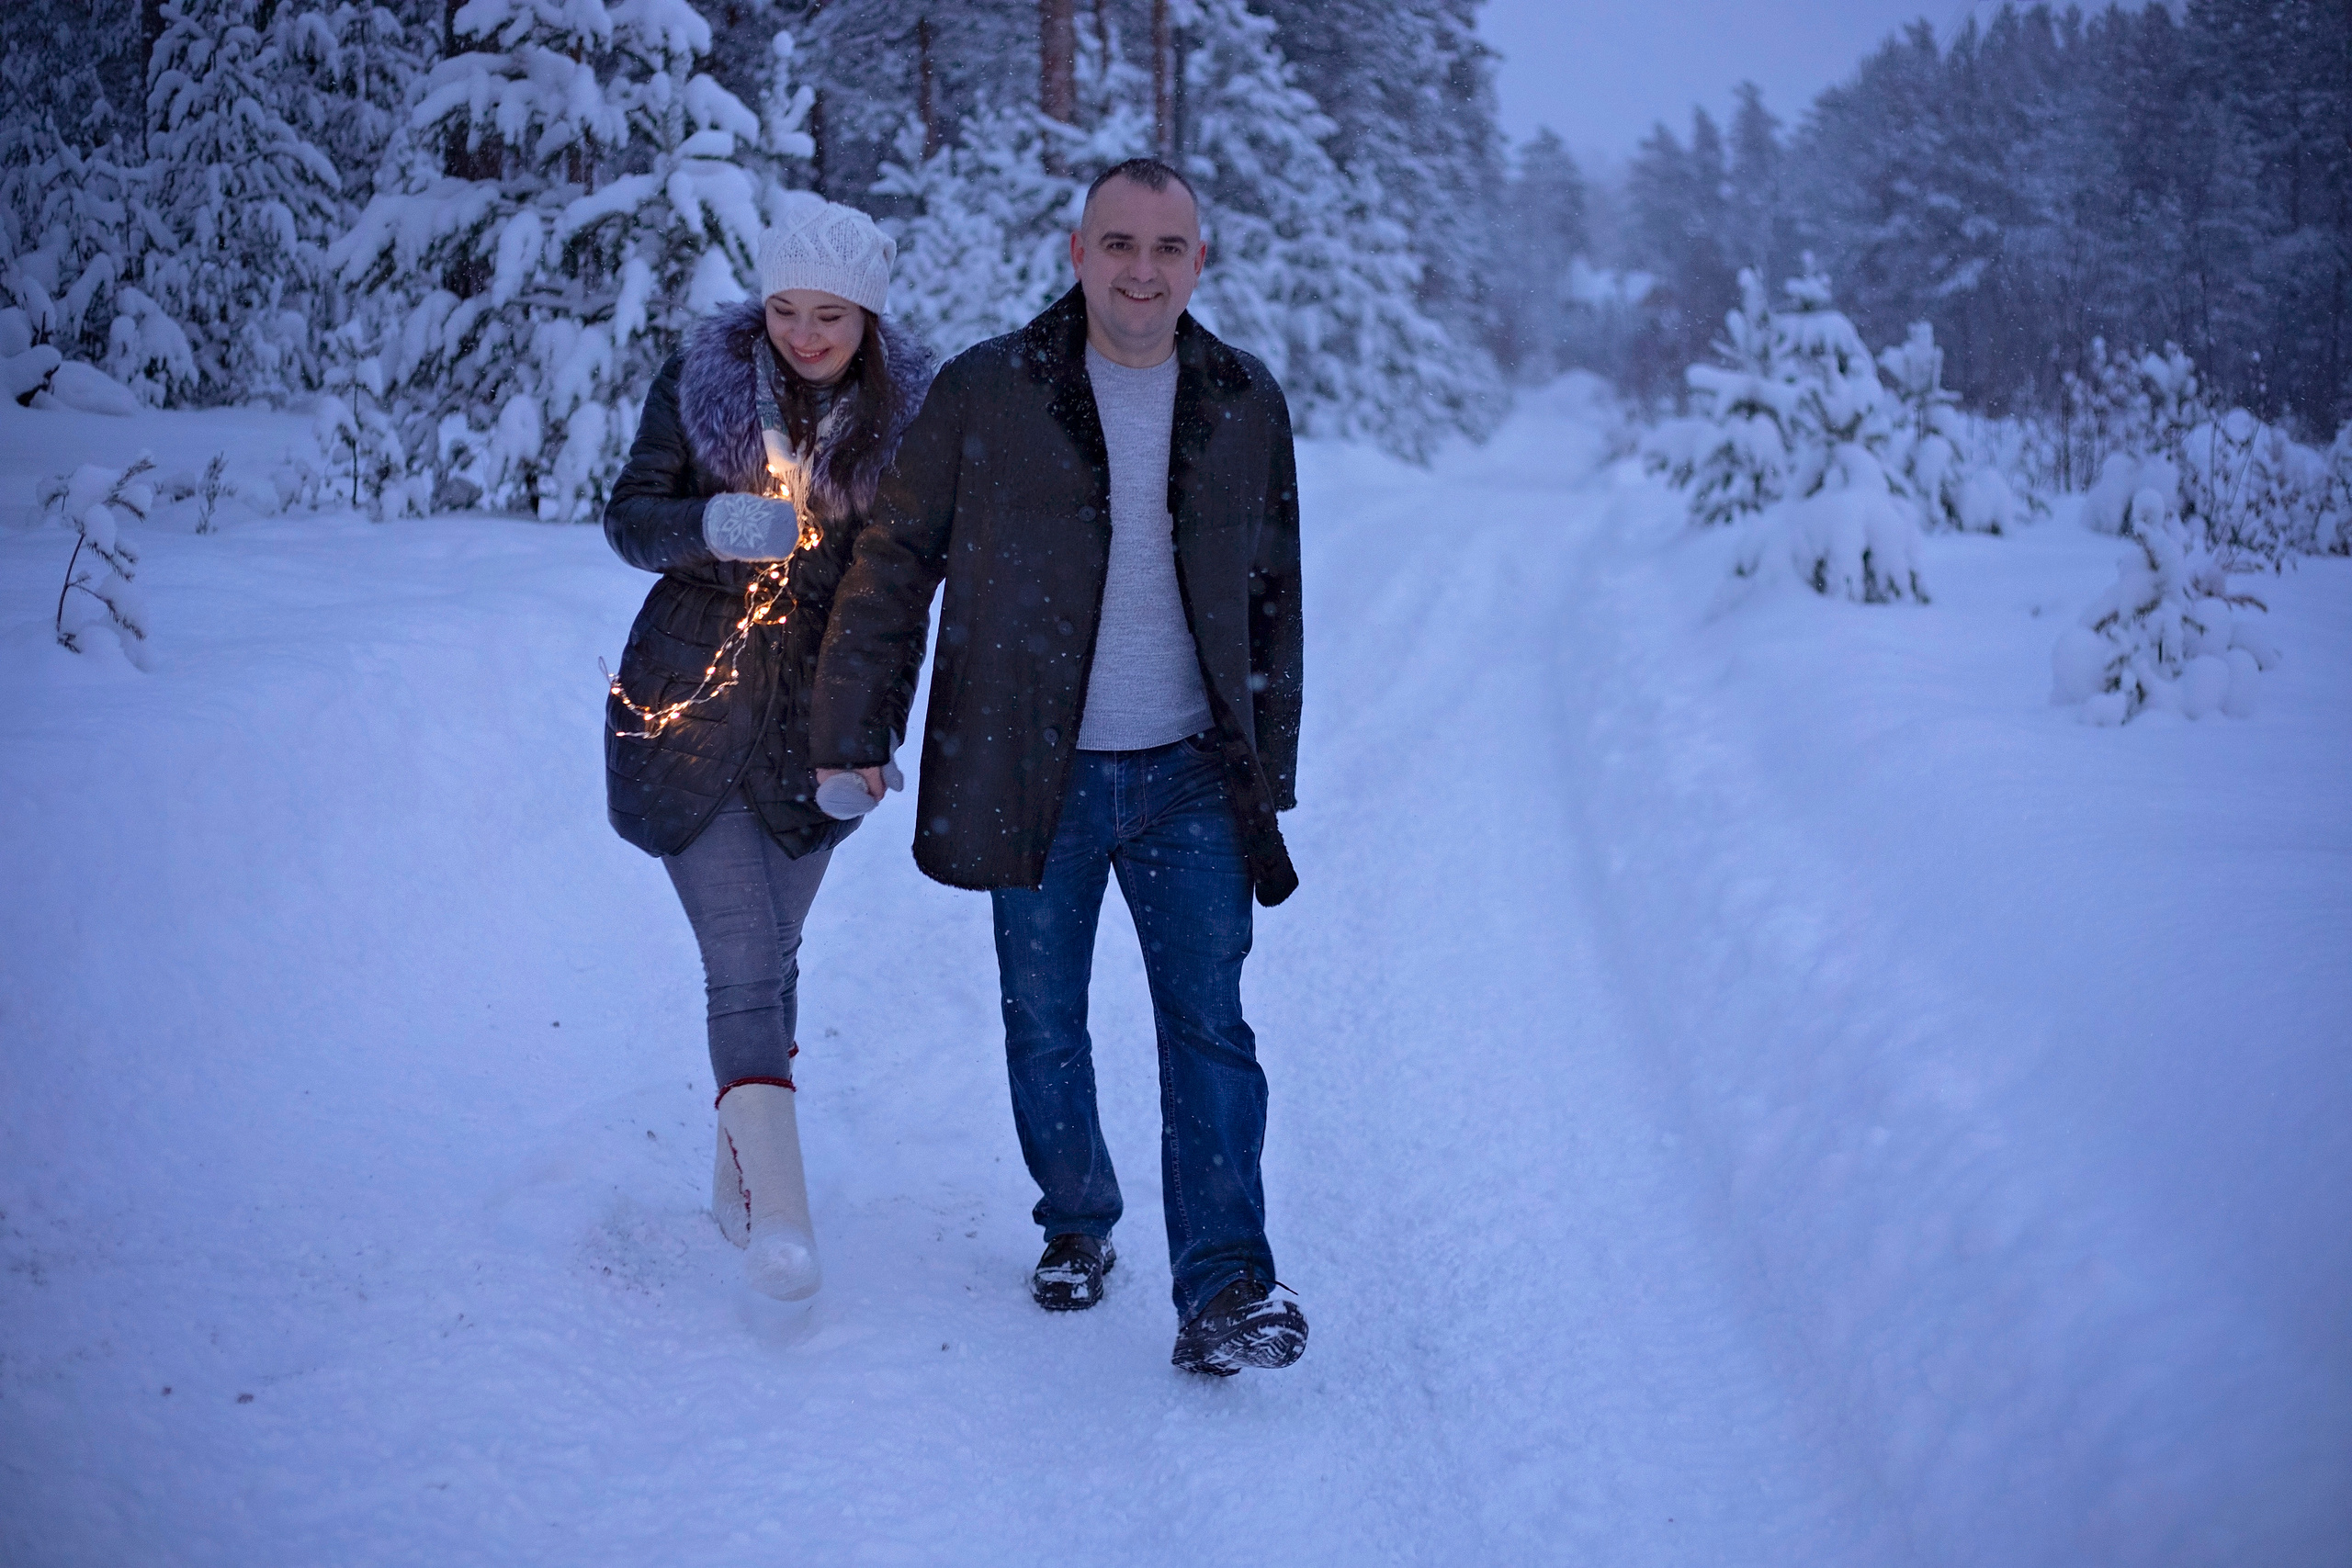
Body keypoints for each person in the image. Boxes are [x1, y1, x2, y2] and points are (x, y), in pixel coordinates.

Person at [810, 158, 1307, 1376]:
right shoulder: (993, 390)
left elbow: (1273, 594)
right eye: (1120, 244)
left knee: (1210, 1029)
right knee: (1046, 1018)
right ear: (1076, 252)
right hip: (1034, 770)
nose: (1144, 269)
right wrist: (853, 726)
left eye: (1169, 247)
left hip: (1192, 773)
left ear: (1204, 262)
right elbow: (896, 559)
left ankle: (1226, 1287)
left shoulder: (1243, 397)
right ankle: (1078, 1217)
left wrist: (1266, 766)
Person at [603, 192, 931, 1302]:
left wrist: (868, 743)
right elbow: (627, 515)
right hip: (688, 708)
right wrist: (705, 529)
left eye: (829, 315)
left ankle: (737, 1188)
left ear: (869, 321)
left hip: (815, 737)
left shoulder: (908, 428)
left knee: (777, 963)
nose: (804, 334)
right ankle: (787, 1230)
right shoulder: (702, 392)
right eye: (785, 307)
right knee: (742, 962)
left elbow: (898, 602)